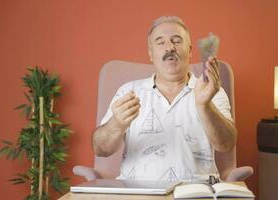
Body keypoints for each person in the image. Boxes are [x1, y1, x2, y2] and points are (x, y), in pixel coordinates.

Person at [92, 16, 237, 181]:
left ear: (190, 51)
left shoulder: (212, 90)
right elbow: (100, 149)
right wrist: (116, 124)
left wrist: (205, 106)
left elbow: (226, 145)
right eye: (160, 42)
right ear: (150, 54)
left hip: (196, 192)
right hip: (136, 193)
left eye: (176, 40)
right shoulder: (129, 91)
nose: (170, 47)